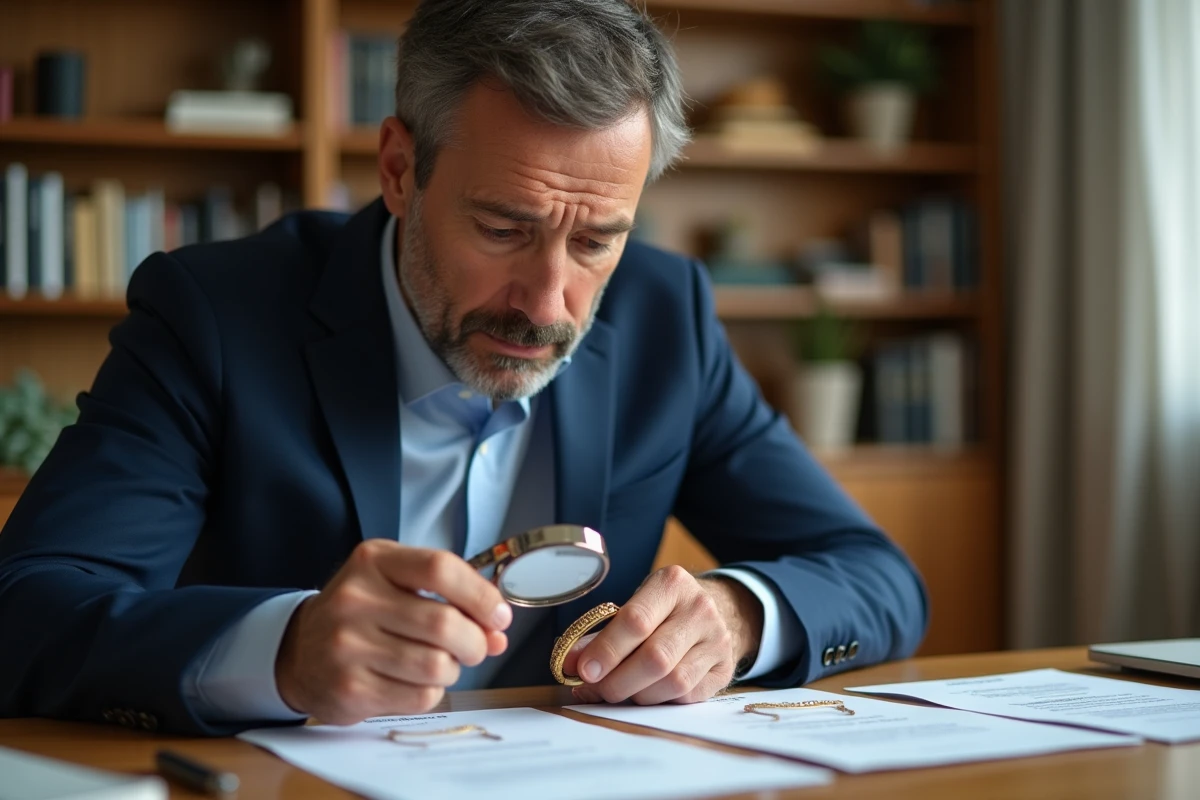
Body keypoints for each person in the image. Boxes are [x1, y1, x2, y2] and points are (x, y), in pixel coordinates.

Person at [0, 0, 927, 736]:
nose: (549, 304)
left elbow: (878, 577)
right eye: (502, 229)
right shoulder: (215, 316)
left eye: (598, 240)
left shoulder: (663, 319)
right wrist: (281, 652)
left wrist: (739, 617)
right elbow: (27, 613)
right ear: (400, 170)